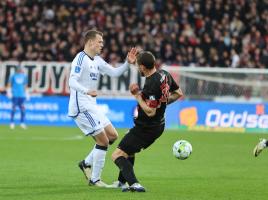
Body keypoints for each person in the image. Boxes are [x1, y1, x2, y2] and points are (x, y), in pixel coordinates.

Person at [68, 29, 137, 187]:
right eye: (99, 42)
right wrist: (86, 90)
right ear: (90, 42)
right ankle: (95, 179)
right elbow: (72, 81)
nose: (102, 45)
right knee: (103, 141)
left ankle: (86, 163)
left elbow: (114, 73)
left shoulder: (97, 60)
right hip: (82, 106)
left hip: (92, 105)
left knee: (112, 135)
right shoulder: (80, 58)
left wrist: (127, 63)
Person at [111, 51, 183, 192]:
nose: (138, 68)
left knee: (117, 155)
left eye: (139, 66)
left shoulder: (151, 85)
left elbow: (150, 112)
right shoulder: (164, 74)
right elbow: (178, 93)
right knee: (129, 150)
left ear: (143, 67)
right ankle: (121, 182)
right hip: (156, 125)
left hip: (146, 128)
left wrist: (137, 96)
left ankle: (135, 184)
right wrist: (162, 103)